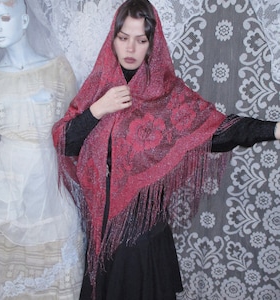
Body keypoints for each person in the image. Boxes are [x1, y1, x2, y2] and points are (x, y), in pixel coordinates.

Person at [52, 0, 280, 299]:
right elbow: (65, 141)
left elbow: (217, 131)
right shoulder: (98, 89)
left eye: (141, 40)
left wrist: (272, 129)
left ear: (152, 43)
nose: (131, 48)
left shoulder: (168, 93)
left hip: (142, 231)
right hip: (102, 227)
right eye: (124, 38)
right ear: (113, 39)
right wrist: (97, 110)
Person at [0, 0, 85, 298]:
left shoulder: (59, 69)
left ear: (25, 20)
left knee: (55, 281)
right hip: (4, 191)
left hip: (47, 188)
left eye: (4, 17)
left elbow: (74, 135)